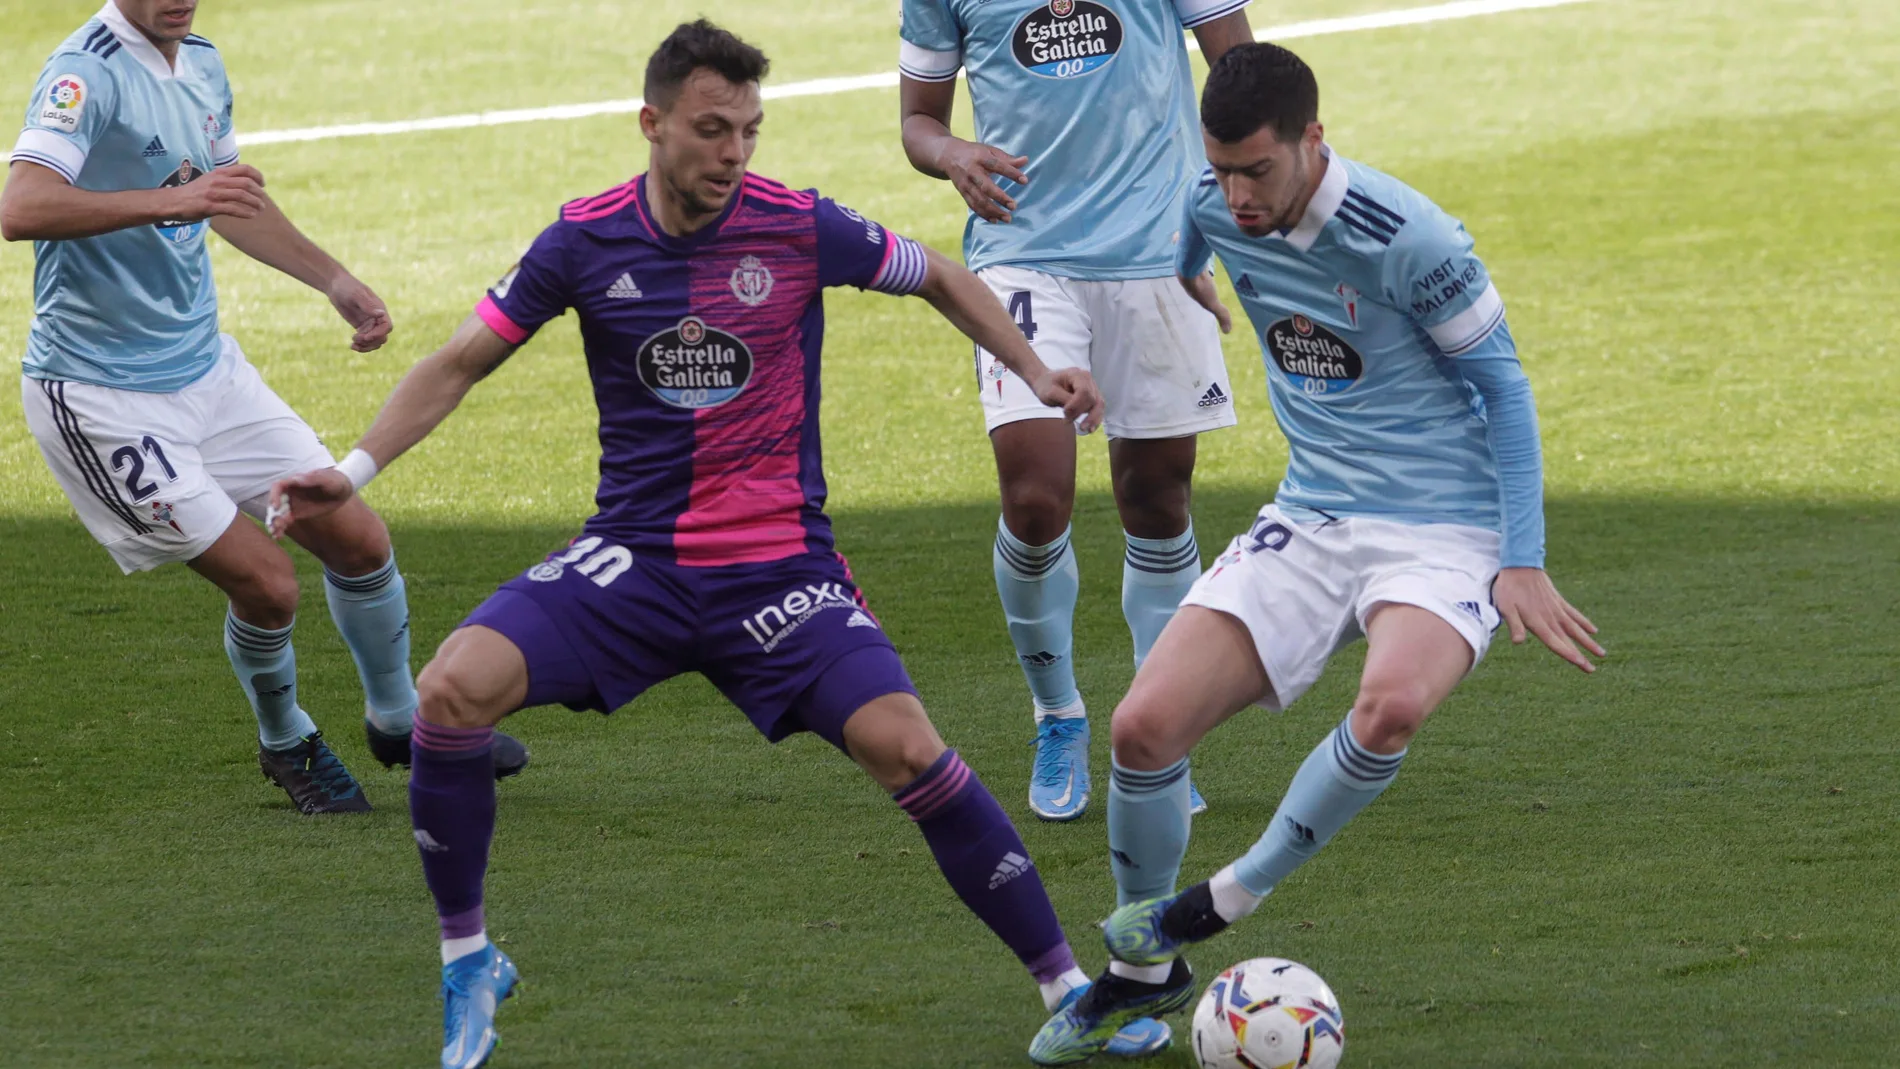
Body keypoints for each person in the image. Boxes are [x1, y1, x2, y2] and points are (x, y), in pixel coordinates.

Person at [267, 21, 1168, 1068]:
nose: (733, 152)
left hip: (780, 569)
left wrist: (1039, 369)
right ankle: (467, 956)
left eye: (748, 129)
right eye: (710, 130)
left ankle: (1066, 987)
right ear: (651, 125)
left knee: (908, 746)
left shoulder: (798, 224)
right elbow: (461, 362)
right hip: (635, 562)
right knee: (449, 693)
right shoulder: (582, 238)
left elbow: (941, 277)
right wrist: (354, 470)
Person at [1027, 42, 1605, 1064]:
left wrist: (1519, 556)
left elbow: (1504, 388)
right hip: (1317, 509)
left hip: (1444, 526)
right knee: (1142, 727)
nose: (1237, 194)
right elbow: (1189, 244)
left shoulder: (1409, 238)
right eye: (1220, 170)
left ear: (1312, 141)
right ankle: (1137, 972)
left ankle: (1223, 897)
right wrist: (1198, 278)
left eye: (1256, 169)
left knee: (1389, 705)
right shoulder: (1209, 205)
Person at [0, 0, 526, 815]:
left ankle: (401, 722)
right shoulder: (85, 71)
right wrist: (171, 200)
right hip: (103, 398)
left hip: (208, 371)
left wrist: (334, 279)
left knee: (356, 535)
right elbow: (21, 206)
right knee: (270, 585)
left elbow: (229, 197)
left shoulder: (201, 60)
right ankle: (286, 740)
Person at [898, 0, 1256, 822]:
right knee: (1033, 496)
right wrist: (952, 152)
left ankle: (1158, 728)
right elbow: (919, 121)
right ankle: (1057, 714)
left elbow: (1241, 80)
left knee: (1158, 496)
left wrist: (1210, 224)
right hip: (1022, 255)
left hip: (1155, 252)